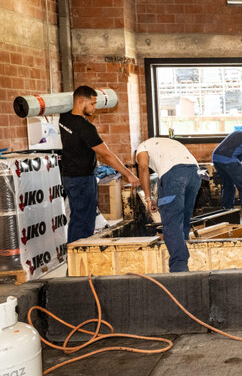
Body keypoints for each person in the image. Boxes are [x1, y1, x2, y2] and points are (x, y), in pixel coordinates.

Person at [59, 85, 140, 243]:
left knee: (77, 219)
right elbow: (107, 155)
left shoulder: (64, 117)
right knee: (84, 223)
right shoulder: (86, 128)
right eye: (93, 103)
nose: (95, 107)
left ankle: (75, 262)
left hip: (69, 177)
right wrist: (128, 174)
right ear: (81, 101)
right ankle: (79, 263)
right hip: (82, 180)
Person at [135, 138, 201, 273]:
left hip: (174, 176)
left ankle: (179, 266)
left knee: (172, 220)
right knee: (184, 217)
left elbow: (142, 168)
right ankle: (185, 250)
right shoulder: (166, 143)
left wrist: (148, 198)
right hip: (195, 173)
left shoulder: (142, 147)